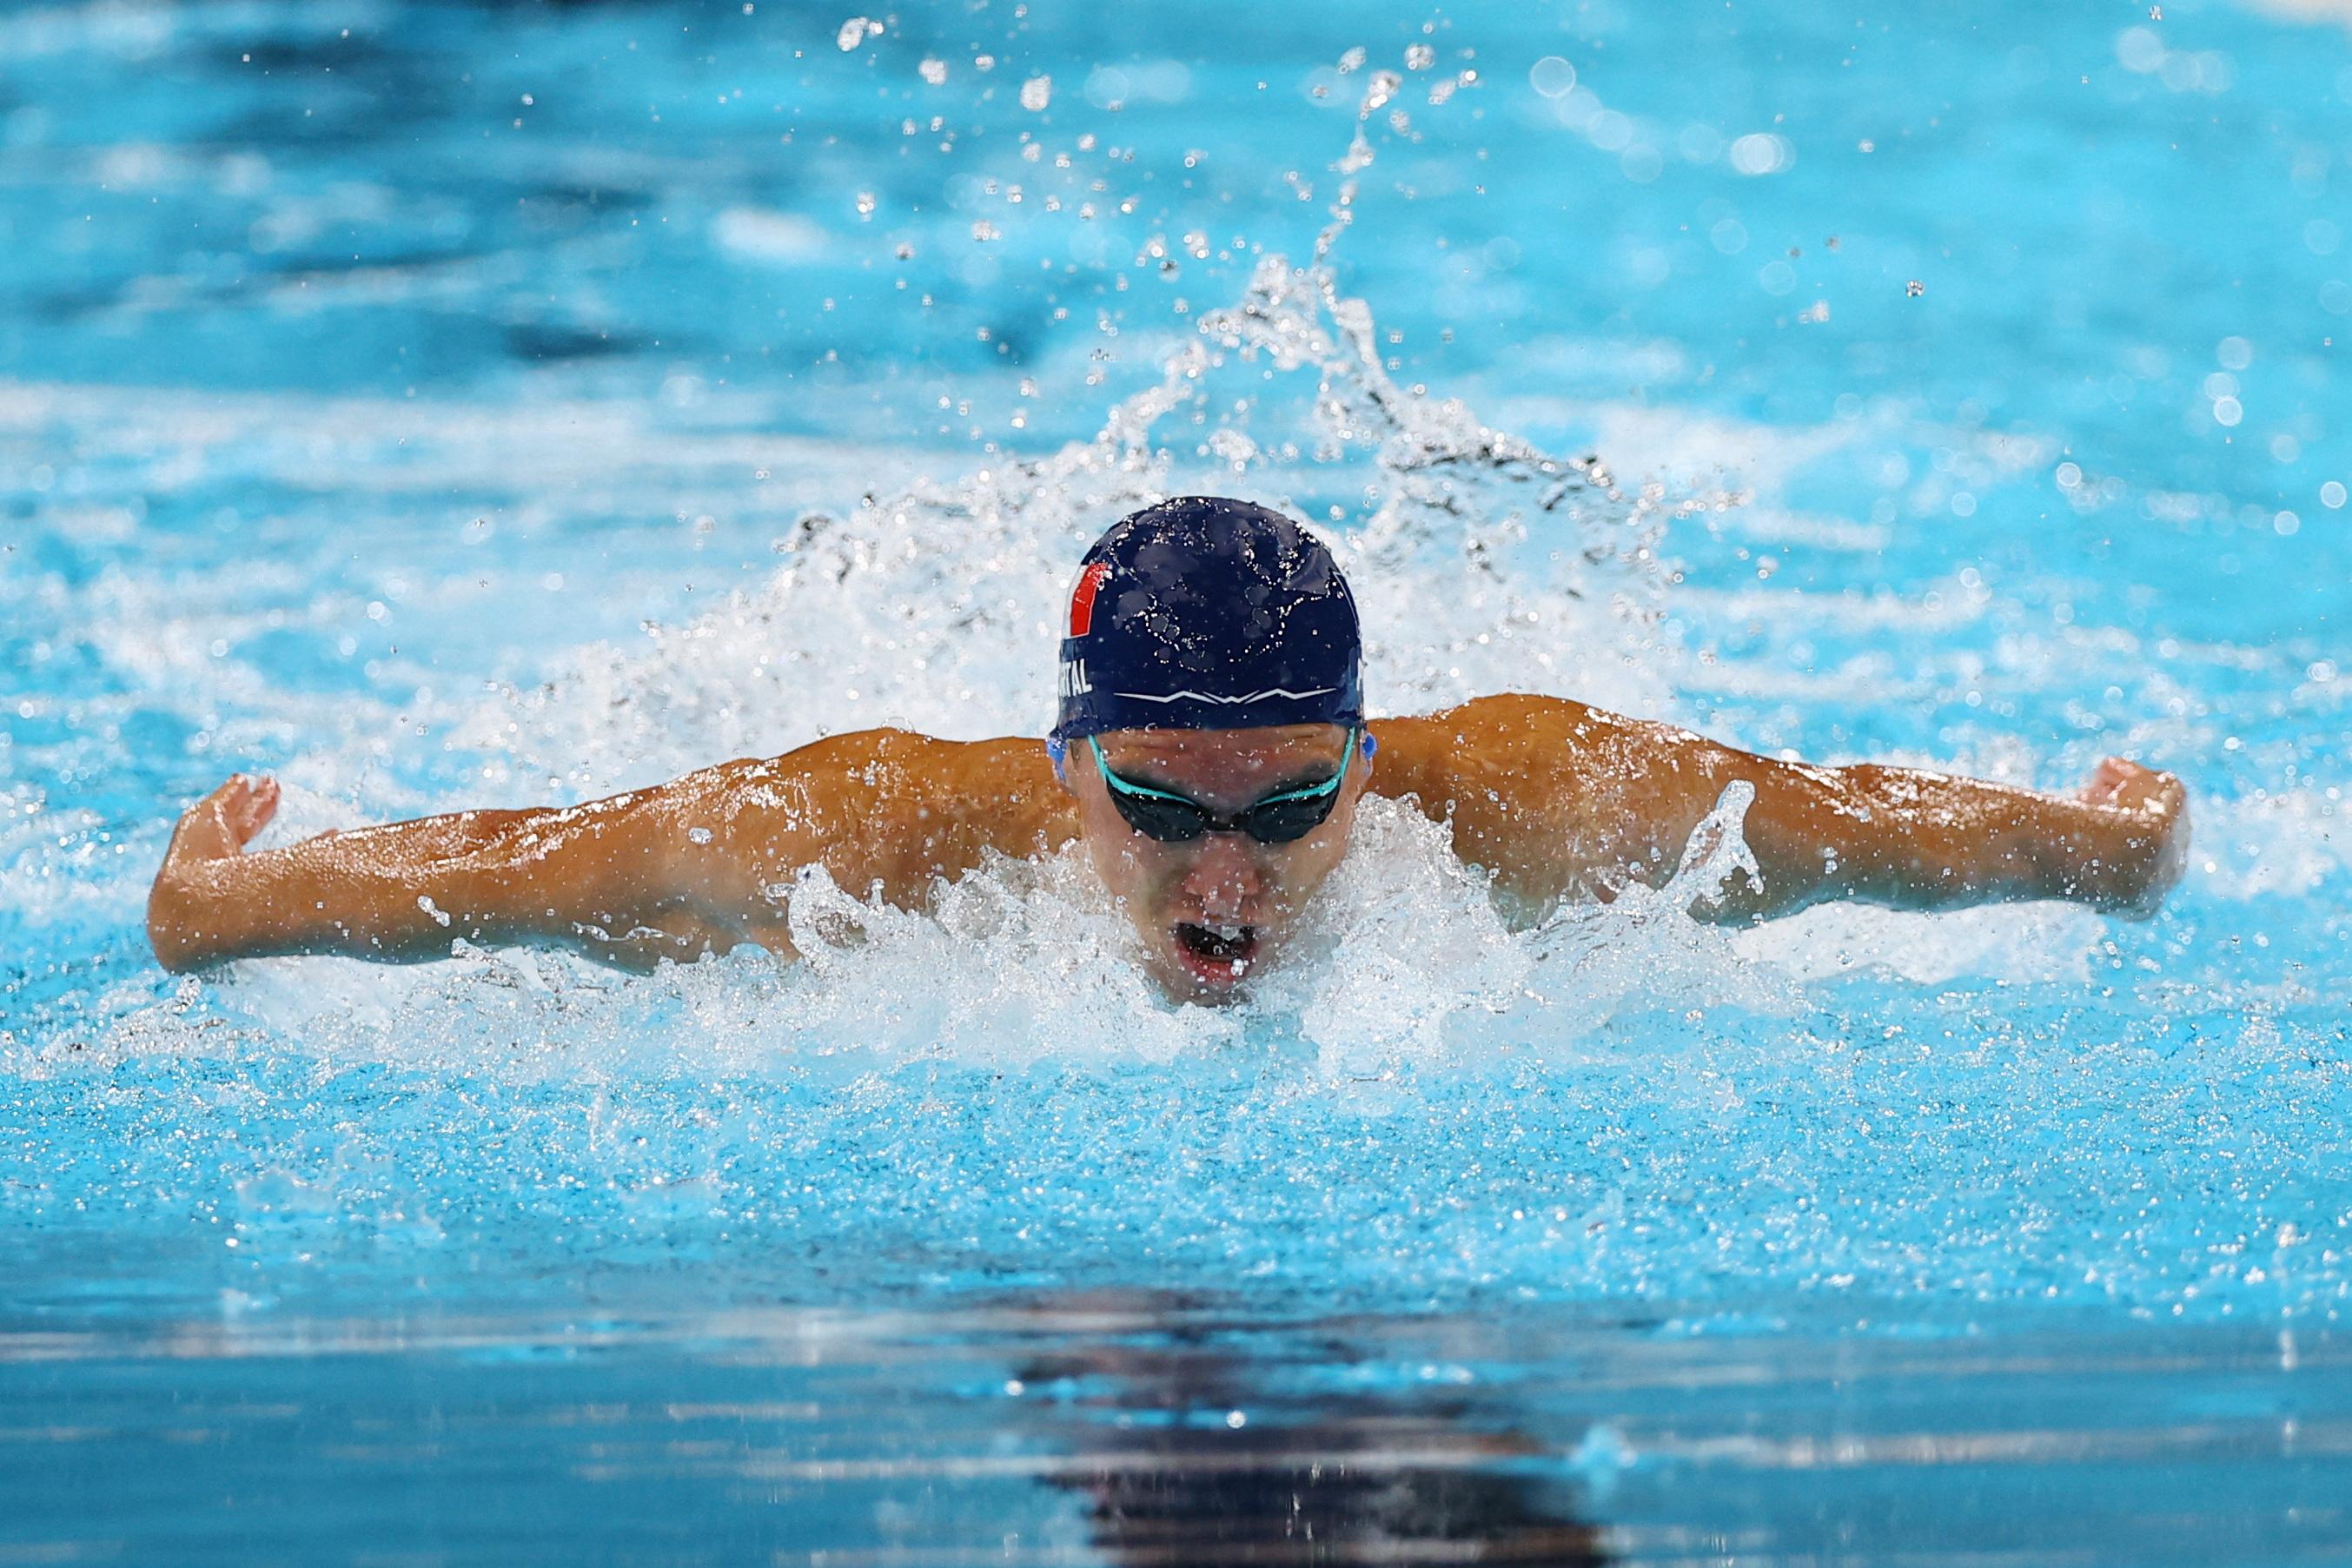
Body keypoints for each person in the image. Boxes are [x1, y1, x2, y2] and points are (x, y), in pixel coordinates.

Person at [147, 497, 2190, 1002]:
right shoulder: (842, 855)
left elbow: (1856, 823)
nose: (1230, 884)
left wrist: (2104, 849)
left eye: (1294, 807)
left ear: (1368, 764)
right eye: (1160, 812)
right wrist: (216, 905)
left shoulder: (1560, 802)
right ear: (1068, 769)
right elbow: (501, 866)